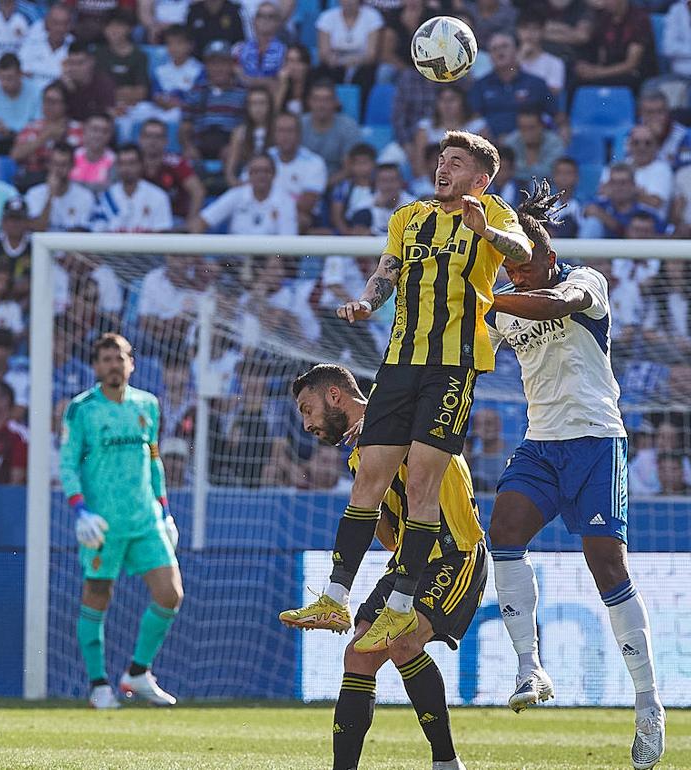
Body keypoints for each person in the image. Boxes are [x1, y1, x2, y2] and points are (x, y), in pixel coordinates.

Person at [279, 130, 530, 655]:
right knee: (367, 477)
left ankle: (400, 607)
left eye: (456, 163)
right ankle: (334, 596)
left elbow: (523, 250)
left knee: (420, 482)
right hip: (398, 363)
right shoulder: (408, 218)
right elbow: (386, 272)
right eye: (441, 161)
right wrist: (368, 303)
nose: (443, 169)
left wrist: (489, 233)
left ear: (479, 180)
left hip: (452, 367)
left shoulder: (494, 213)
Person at [483, 183, 665, 770]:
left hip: (595, 440)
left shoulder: (584, 283)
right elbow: (467, 346)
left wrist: (486, 297)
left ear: (548, 254)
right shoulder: (508, 308)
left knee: (606, 564)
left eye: (520, 261)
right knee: (504, 530)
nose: (514, 272)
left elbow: (553, 308)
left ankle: (647, 704)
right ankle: (529, 665)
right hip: (541, 444)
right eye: (506, 265)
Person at [280, 364, 482, 770]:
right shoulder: (360, 454)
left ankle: (446, 762)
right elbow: (389, 537)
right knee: (358, 654)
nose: (307, 424)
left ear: (334, 396)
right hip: (408, 559)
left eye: (307, 409)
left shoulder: (400, 415)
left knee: (402, 642)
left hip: (453, 551)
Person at [60, 333, 182, 709]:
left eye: (120, 358)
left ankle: (138, 673)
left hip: (145, 519)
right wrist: (80, 509)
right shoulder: (82, 409)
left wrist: (164, 509)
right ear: (96, 367)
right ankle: (99, 685)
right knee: (97, 596)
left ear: (132, 363)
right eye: (106, 359)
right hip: (102, 524)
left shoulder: (148, 404)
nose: (114, 365)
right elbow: (67, 464)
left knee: (170, 594)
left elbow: (154, 459)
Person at [470, 31, 555, 138]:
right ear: (490, 56)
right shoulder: (480, 86)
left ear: (517, 50)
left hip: (529, 144)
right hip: (492, 144)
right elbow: (474, 119)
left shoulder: (536, 83)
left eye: (504, 46)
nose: (499, 52)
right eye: (494, 49)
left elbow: (555, 116)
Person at [190, 153, 296, 235]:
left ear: (274, 174)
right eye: (256, 171)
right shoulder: (236, 194)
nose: (261, 175)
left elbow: (289, 240)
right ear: (249, 174)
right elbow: (201, 221)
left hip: (270, 259)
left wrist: (276, 258)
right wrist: (199, 257)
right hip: (235, 260)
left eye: (266, 171)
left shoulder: (285, 200)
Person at [90, 144, 174, 233]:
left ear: (141, 164)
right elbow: (98, 232)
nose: (126, 168)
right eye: (122, 163)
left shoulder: (158, 196)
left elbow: (163, 231)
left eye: (131, 163)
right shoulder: (106, 197)